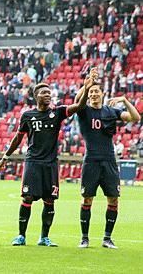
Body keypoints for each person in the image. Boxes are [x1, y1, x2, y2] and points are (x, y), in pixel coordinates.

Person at [0, 70, 95, 247]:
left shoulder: (57, 113)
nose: (48, 95)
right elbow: (18, 138)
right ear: (36, 96)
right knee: (27, 199)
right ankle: (21, 236)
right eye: (44, 93)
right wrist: (6, 156)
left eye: (49, 92)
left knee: (49, 201)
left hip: (50, 164)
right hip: (33, 162)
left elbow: (79, 106)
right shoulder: (28, 115)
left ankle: (44, 237)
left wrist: (86, 88)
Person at [75, 84, 140, 249]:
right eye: (91, 92)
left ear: (103, 93)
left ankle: (107, 238)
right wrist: (87, 84)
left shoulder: (111, 111)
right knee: (87, 199)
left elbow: (135, 117)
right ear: (88, 95)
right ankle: (84, 238)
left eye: (97, 90)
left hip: (109, 160)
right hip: (91, 161)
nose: (94, 93)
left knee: (113, 199)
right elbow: (77, 100)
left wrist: (124, 99)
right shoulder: (84, 111)